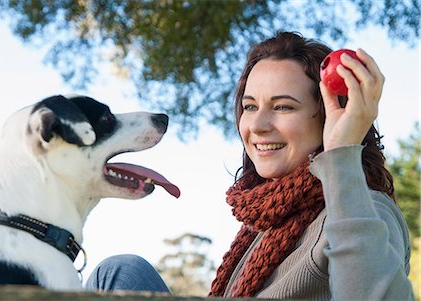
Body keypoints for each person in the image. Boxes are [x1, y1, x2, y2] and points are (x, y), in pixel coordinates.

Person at [85, 31, 414, 300]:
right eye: (250, 106)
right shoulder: (267, 223)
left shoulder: (363, 207)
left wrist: (342, 153)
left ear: (328, 116)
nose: (257, 124)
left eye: (283, 107)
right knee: (118, 271)